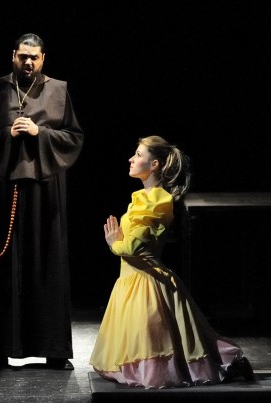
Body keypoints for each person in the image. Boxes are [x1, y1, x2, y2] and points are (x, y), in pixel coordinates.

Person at [89, 135, 255, 388]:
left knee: (158, 346)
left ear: (154, 164)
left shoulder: (155, 200)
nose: (131, 159)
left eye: (139, 155)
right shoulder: (143, 197)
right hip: (132, 280)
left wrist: (114, 243)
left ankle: (230, 362)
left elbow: (134, 246)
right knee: (159, 342)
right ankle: (230, 362)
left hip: (147, 282)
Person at [0, 33, 84, 369]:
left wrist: (39, 133)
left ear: (43, 58)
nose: (28, 63)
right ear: (13, 56)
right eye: (22, 57)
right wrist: (7, 134)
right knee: (0, 265)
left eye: (34, 57)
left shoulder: (58, 90)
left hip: (46, 189)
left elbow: (74, 137)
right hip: (3, 188)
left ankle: (54, 351)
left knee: (47, 264)